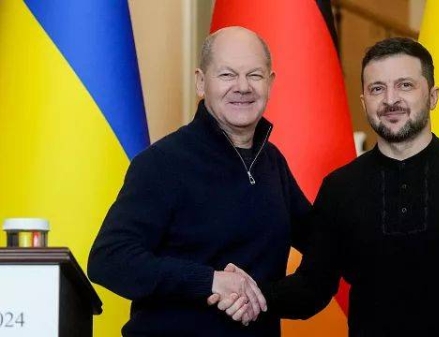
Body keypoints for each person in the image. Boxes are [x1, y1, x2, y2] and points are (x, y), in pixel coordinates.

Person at [216, 37, 439, 337]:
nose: (390, 100)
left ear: (433, 96)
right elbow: (312, 287)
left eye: (405, 86)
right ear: (364, 101)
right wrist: (252, 294)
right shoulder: (340, 188)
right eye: (377, 88)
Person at [87, 26, 311, 337]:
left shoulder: (272, 162)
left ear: (271, 83)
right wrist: (210, 281)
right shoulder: (163, 162)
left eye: (255, 75)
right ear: (201, 82)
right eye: (227, 75)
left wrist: (266, 298)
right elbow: (108, 259)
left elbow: (323, 242)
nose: (243, 87)